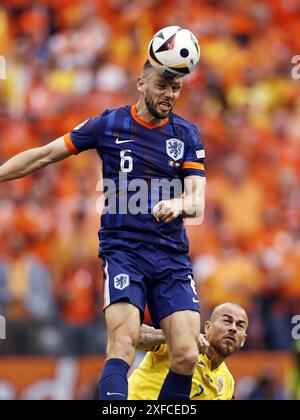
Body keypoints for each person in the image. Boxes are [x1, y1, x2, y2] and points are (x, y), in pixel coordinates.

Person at [0, 59, 206, 400]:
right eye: (162, 86)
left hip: (171, 256)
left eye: (176, 88)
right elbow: (45, 155)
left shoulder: (186, 133)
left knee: (185, 354)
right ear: (141, 83)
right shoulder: (111, 123)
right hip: (124, 251)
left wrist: (179, 204)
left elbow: (196, 198)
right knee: (123, 343)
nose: (169, 94)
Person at [129, 302, 248, 400]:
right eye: (227, 321)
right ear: (208, 327)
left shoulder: (228, 382)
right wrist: (181, 336)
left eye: (240, 326)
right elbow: (130, 334)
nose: (233, 328)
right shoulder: (181, 343)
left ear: (243, 340)